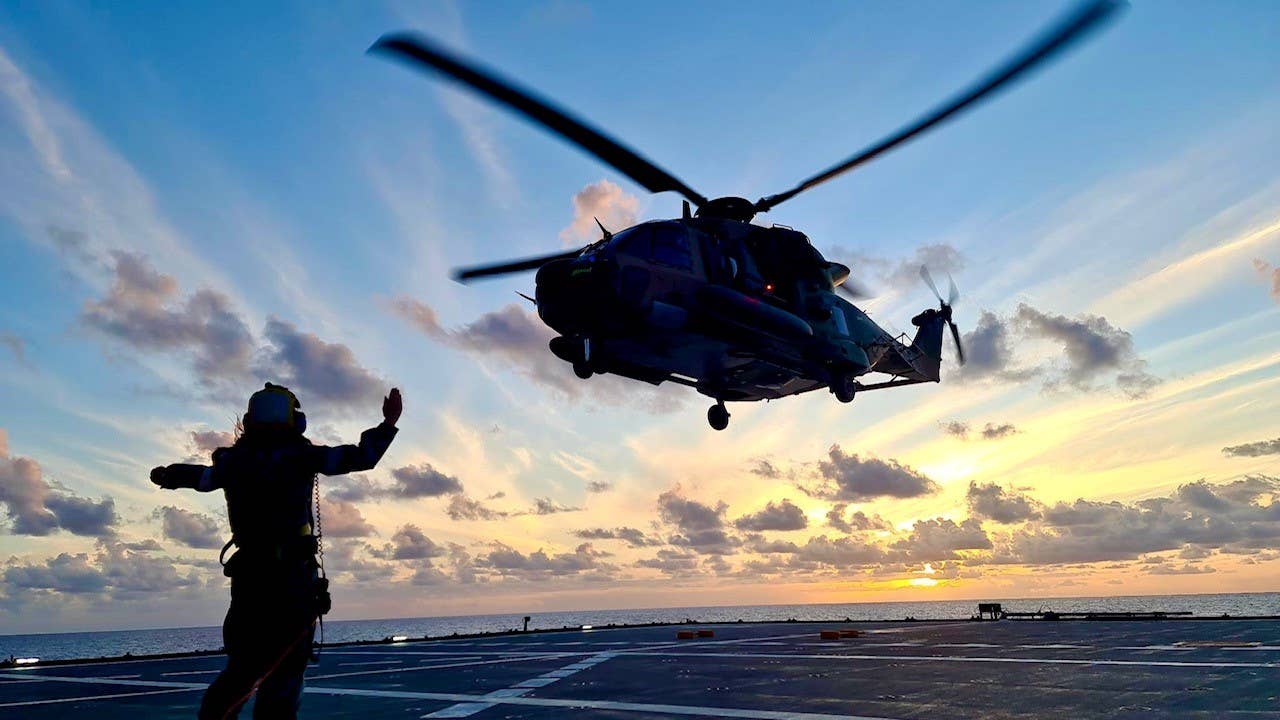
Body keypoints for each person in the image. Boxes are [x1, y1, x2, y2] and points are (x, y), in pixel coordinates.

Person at [151, 383, 402, 719]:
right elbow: (361, 457)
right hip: (292, 580)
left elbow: (202, 477)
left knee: (242, 668)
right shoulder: (303, 456)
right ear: (294, 419)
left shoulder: (233, 462)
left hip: (250, 577)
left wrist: (170, 475)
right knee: (285, 670)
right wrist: (387, 424)